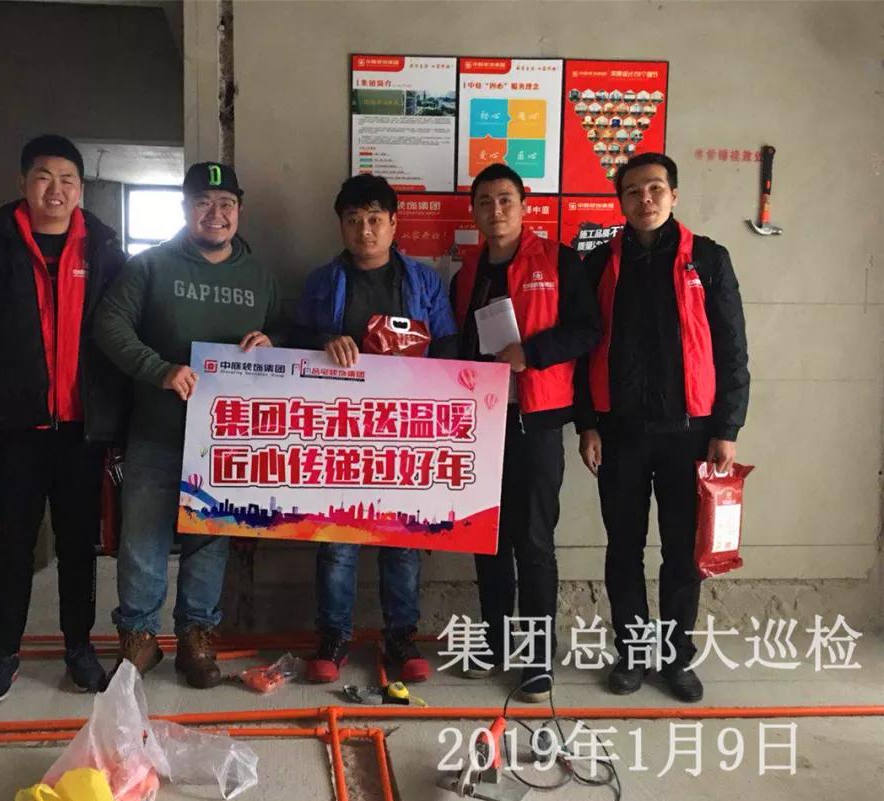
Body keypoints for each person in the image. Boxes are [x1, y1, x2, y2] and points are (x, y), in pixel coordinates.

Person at [0, 134, 129, 702]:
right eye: (44, 177)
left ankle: (79, 648)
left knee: (78, 547)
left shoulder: (104, 250)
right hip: (15, 429)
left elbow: (125, 334)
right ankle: (4, 652)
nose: (56, 189)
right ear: (23, 183)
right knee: (14, 545)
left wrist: (120, 419)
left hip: (81, 431)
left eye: (67, 179)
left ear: (80, 189)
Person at [94, 161, 287, 689]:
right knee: (143, 538)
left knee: (209, 538)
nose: (215, 213)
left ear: (239, 210)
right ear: (185, 208)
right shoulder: (151, 266)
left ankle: (195, 638)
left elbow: (286, 334)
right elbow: (109, 324)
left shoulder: (259, 276)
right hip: (157, 430)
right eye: (203, 202)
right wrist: (158, 369)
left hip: (225, 440)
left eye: (226, 204)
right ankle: (138, 638)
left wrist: (272, 343)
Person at [574, 152, 749, 702]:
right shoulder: (599, 264)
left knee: (681, 552)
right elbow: (582, 350)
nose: (644, 199)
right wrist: (587, 424)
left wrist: (727, 428)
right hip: (619, 433)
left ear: (673, 195)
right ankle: (631, 654)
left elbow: (733, 349)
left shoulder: (709, 259)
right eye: (632, 191)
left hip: (690, 434)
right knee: (623, 547)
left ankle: (676, 658)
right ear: (620, 201)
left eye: (654, 188)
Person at [293, 174, 457, 684]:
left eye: (374, 219)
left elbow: (448, 347)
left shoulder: (423, 282)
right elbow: (293, 341)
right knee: (337, 541)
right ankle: (334, 637)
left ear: (393, 223)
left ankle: (401, 636)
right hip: (339, 431)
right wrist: (325, 341)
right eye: (353, 220)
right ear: (341, 225)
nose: (364, 230)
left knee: (401, 541)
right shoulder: (322, 281)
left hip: (406, 430)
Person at [450, 163, 601, 701]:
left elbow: (588, 331)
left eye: (505, 200)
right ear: (474, 211)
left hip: (536, 421)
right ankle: (494, 644)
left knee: (534, 541)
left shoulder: (560, 260)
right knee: (487, 538)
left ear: (524, 204)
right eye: (485, 201)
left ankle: (538, 658)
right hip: (480, 422)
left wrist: (531, 353)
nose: (495, 210)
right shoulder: (466, 272)